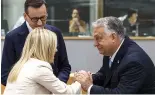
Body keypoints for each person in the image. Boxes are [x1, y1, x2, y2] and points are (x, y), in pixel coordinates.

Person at [74, 17, 155, 94]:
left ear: (113, 37)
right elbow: (105, 75)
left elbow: (119, 93)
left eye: (98, 38)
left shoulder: (134, 62)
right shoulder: (111, 51)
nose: (95, 44)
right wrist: (89, 78)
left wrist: (89, 87)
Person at [1, 0, 71, 86]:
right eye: (34, 19)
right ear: (25, 16)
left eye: (43, 18)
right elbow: (4, 76)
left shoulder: (56, 33)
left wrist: (56, 86)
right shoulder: (12, 37)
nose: (39, 23)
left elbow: (65, 67)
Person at [3, 28, 81, 94]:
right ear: (46, 48)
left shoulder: (21, 65)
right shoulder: (39, 68)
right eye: (53, 46)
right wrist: (80, 82)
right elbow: (66, 92)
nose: (56, 50)